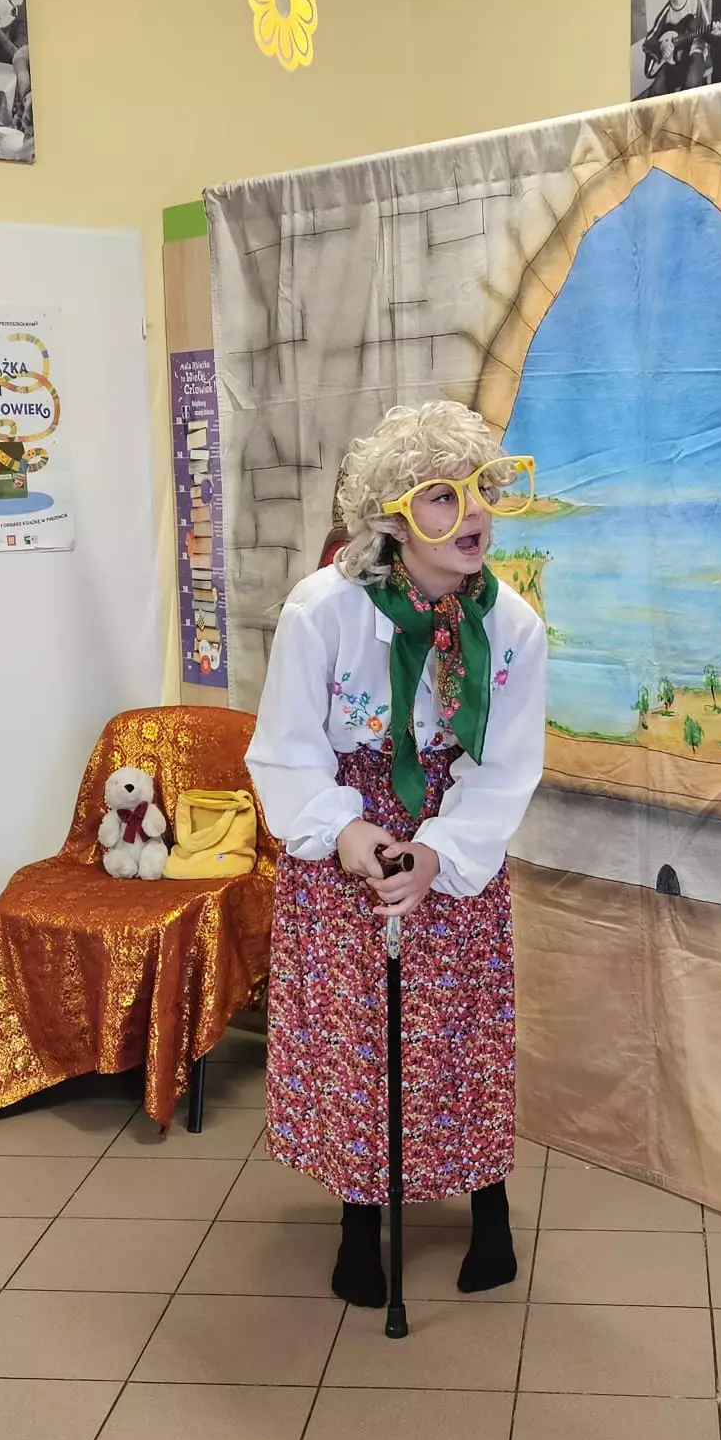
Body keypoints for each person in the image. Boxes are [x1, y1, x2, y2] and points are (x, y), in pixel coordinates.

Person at [247, 402, 548, 1306]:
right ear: (393, 518)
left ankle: (489, 1206)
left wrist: (439, 856)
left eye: (483, 490)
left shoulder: (513, 626)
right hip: (346, 835)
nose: (474, 515)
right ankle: (357, 1218)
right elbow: (286, 746)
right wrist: (344, 831)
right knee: (360, 1035)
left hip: (454, 832)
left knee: (461, 1030)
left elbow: (506, 765)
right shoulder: (323, 610)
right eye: (442, 498)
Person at [642, 0, 721, 97]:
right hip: (675, 61)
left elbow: (708, 32)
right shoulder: (666, 12)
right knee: (655, 91)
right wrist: (662, 47)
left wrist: (716, 33)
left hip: (696, 52)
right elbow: (648, 42)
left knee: (691, 84)